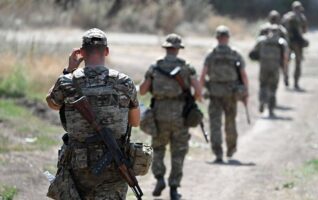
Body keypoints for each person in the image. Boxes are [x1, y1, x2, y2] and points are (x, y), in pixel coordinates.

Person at [46, 28, 140, 200]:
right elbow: (135, 122)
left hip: (78, 164)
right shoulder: (125, 82)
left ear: (81, 52)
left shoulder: (67, 81)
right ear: (106, 51)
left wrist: (69, 69)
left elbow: (51, 102)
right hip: (114, 167)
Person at [139, 33, 201, 200]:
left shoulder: (154, 67)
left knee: (158, 148)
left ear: (166, 48)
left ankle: (159, 178)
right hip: (180, 114)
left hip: (159, 114)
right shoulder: (187, 67)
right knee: (178, 151)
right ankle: (174, 188)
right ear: (178, 49)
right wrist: (190, 101)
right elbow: (198, 90)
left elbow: (143, 90)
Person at [200, 25, 249, 163]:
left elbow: (203, 75)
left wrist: (198, 92)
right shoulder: (235, 54)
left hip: (214, 94)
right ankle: (231, 149)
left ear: (217, 38)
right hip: (231, 94)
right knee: (230, 122)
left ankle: (218, 153)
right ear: (227, 38)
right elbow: (243, 76)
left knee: (215, 124)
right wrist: (246, 93)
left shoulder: (211, 54)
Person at [251, 25, 289, 117]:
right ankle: (271, 109)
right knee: (273, 88)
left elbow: (253, 53)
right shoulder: (281, 42)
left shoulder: (261, 40)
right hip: (275, 68)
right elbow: (285, 58)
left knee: (263, 85)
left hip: (263, 67)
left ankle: (262, 101)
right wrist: (285, 73)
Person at [282, 1, 309, 90]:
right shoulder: (302, 17)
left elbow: (282, 29)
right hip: (297, 44)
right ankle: (296, 83)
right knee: (297, 63)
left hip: (288, 43)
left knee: (286, 62)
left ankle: (286, 78)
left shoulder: (286, 17)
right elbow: (305, 30)